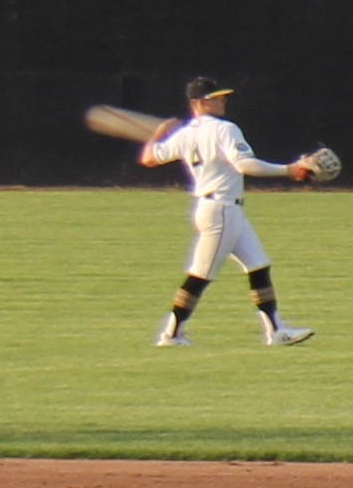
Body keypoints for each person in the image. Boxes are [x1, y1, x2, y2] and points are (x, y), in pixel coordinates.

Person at [140, 74, 335, 347]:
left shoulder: (185, 134)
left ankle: (276, 330)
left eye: (222, 96)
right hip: (221, 211)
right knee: (201, 274)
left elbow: (148, 158)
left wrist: (159, 134)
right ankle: (171, 334)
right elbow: (245, 165)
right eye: (215, 97)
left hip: (222, 209)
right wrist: (288, 170)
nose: (223, 101)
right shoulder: (225, 129)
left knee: (258, 266)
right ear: (198, 102)